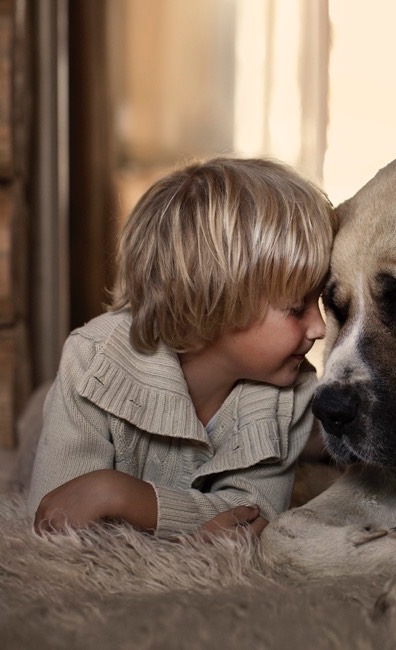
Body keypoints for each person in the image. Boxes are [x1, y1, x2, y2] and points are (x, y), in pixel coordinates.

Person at [28, 156, 332, 539]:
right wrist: (200, 524)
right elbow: (56, 515)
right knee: (31, 435)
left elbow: (255, 520)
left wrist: (118, 494)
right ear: (216, 300)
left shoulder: (293, 392)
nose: (320, 328)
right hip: (66, 403)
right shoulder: (91, 360)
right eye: (297, 308)